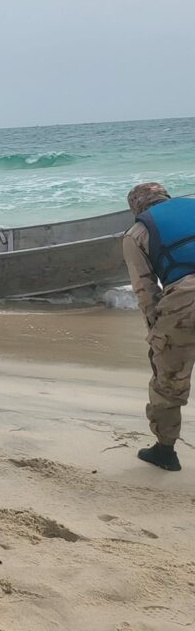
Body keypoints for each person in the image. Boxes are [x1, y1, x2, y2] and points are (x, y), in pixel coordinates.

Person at [123, 182, 195, 472]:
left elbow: (146, 292)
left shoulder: (137, 233)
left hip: (185, 300)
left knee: (168, 382)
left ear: (137, 208)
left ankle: (165, 451)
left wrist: (157, 335)